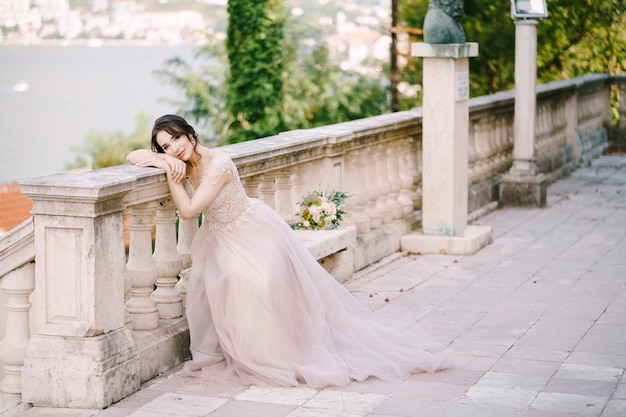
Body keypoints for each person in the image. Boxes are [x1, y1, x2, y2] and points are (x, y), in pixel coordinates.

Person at [127, 114, 447, 388]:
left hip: (253, 231)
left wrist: (170, 174)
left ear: (191, 134)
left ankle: (280, 355)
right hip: (222, 237)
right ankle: (254, 353)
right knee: (226, 284)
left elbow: (187, 210)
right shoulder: (179, 161)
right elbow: (132, 155)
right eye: (166, 145)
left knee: (260, 281)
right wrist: (161, 159)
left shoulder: (219, 164)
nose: (175, 148)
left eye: (176, 140)